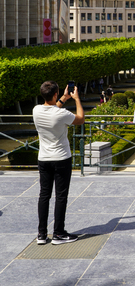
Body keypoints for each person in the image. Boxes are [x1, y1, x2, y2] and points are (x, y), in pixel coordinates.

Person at [33, 81, 85, 245]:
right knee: (61, 196)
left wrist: (64, 96)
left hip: (43, 159)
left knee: (44, 195)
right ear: (54, 94)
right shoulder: (62, 115)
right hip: (61, 159)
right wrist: (76, 99)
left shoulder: (36, 110)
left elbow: (53, 108)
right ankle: (58, 233)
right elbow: (81, 119)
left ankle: (42, 234)